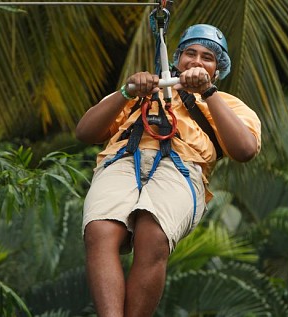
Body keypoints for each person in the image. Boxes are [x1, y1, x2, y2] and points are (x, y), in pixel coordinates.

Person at [75, 24, 261, 317]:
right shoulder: (143, 92)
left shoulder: (227, 104)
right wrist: (127, 90)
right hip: (124, 158)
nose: (197, 61)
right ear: (177, 59)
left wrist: (207, 92)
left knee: (154, 233)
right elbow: (85, 133)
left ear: (217, 69)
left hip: (182, 168)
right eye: (191, 53)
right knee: (99, 230)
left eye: (207, 57)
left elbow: (245, 150)